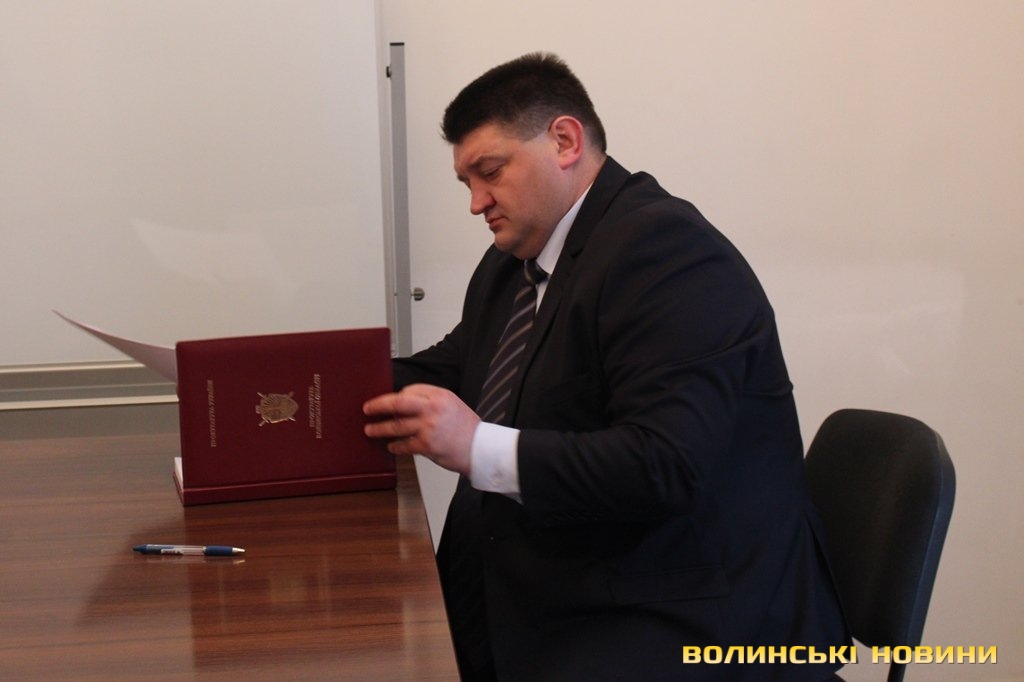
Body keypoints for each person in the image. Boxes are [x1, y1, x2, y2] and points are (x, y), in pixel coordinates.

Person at [363, 53, 850, 681]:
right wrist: (307, 389)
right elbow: (458, 367)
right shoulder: (515, 262)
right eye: (467, 183)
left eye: (490, 172)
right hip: (564, 582)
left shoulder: (667, 253)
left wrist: (475, 445)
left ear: (565, 141)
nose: (477, 202)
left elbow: (663, 464)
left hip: (682, 613)